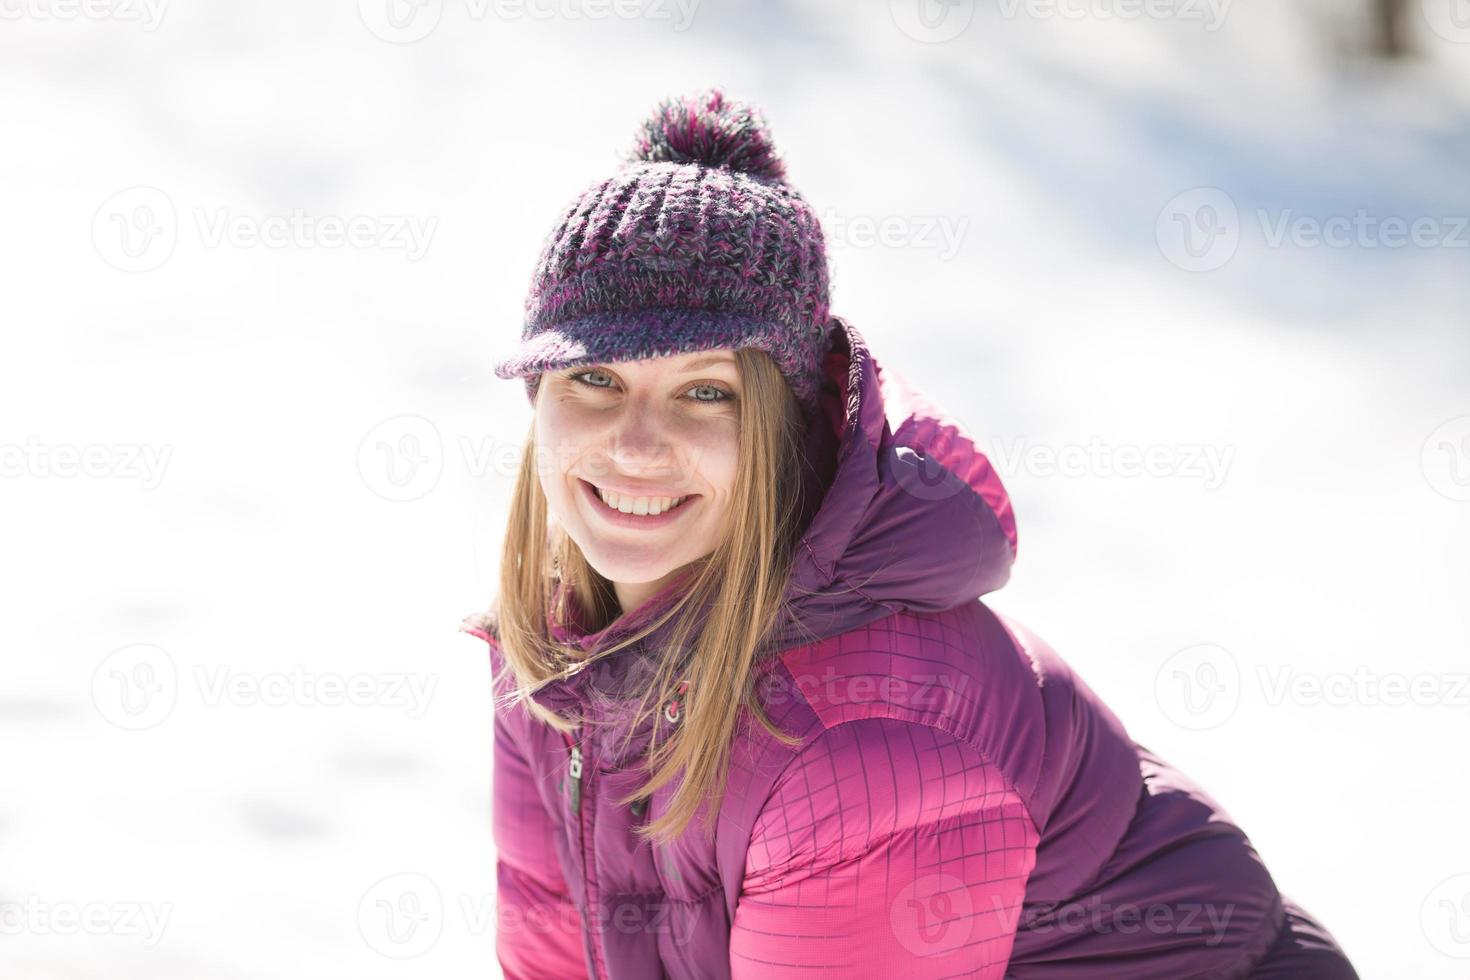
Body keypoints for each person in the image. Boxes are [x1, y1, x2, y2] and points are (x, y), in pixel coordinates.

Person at [462, 86, 1358, 979]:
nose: (635, 445)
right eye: (593, 379)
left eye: (706, 392)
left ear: (787, 424)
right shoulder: (553, 656)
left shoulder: (867, 739)